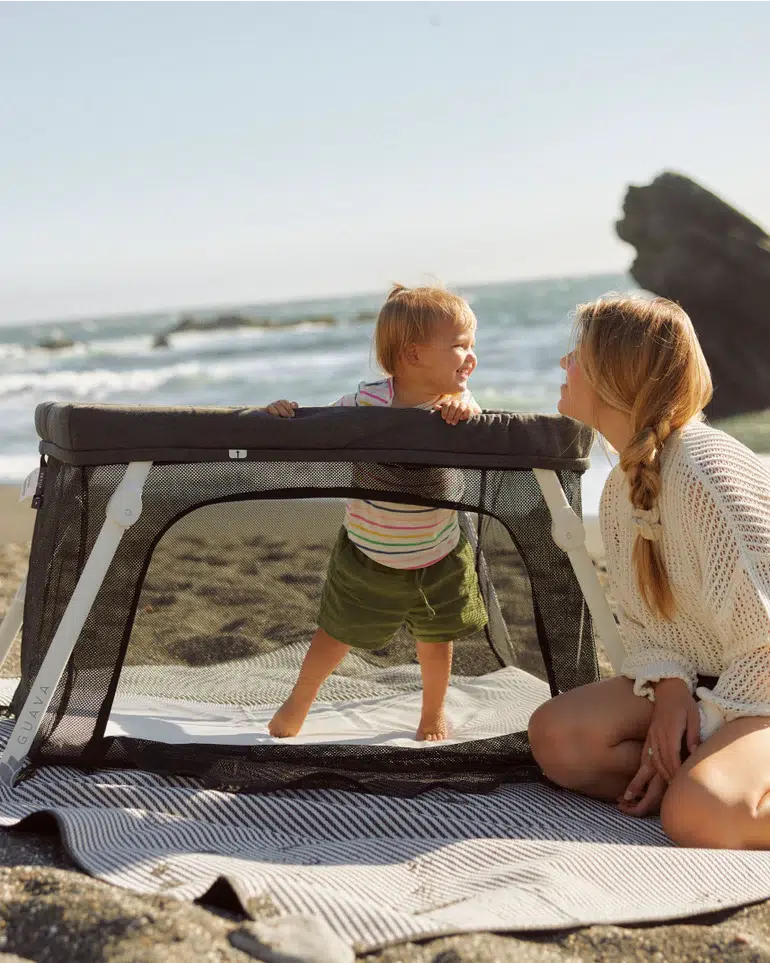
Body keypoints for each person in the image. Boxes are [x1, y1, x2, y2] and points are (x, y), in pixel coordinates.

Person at [528, 294, 770, 850]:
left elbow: (764, 643)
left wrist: (696, 728)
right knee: (558, 738)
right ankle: (701, 774)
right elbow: (648, 627)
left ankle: (703, 785)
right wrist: (669, 690)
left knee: (697, 817)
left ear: (618, 375)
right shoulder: (621, 489)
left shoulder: (708, 469)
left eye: (578, 355)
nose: (564, 365)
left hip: (760, 686)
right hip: (713, 682)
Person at [263, 283, 489, 741]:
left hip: (438, 552)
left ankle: (432, 714)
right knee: (335, 632)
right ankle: (299, 701)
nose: (471, 357)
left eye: (472, 345)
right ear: (414, 355)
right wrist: (285, 412)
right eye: (460, 346)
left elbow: (478, 419)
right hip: (369, 551)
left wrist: (465, 405)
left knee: (436, 637)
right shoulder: (364, 403)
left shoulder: (453, 409)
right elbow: (319, 429)